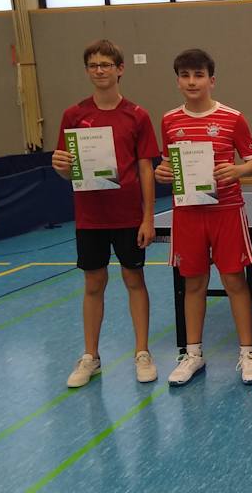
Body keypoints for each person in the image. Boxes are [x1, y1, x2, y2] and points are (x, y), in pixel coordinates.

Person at [153, 48, 252, 386]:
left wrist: (237, 170)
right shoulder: (169, 120)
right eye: (185, 76)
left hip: (226, 212)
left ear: (211, 80)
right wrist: (162, 173)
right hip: (187, 214)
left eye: (198, 75)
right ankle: (193, 354)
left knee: (234, 281)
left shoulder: (233, 118)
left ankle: (248, 351)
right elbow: (167, 164)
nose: (192, 82)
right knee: (193, 283)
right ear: (177, 81)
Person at [52, 39, 159, 388]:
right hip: (90, 217)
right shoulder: (73, 115)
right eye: (93, 65)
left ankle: (142, 353)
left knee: (134, 280)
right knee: (93, 283)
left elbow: (145, 168)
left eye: (106, 65)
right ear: (87, 71)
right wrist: (61, 168)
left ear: (120, 69)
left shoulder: (137, 115)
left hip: (128, 216)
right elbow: (68, 169)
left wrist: (148, 217)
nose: (100, 71)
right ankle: (91, 356)